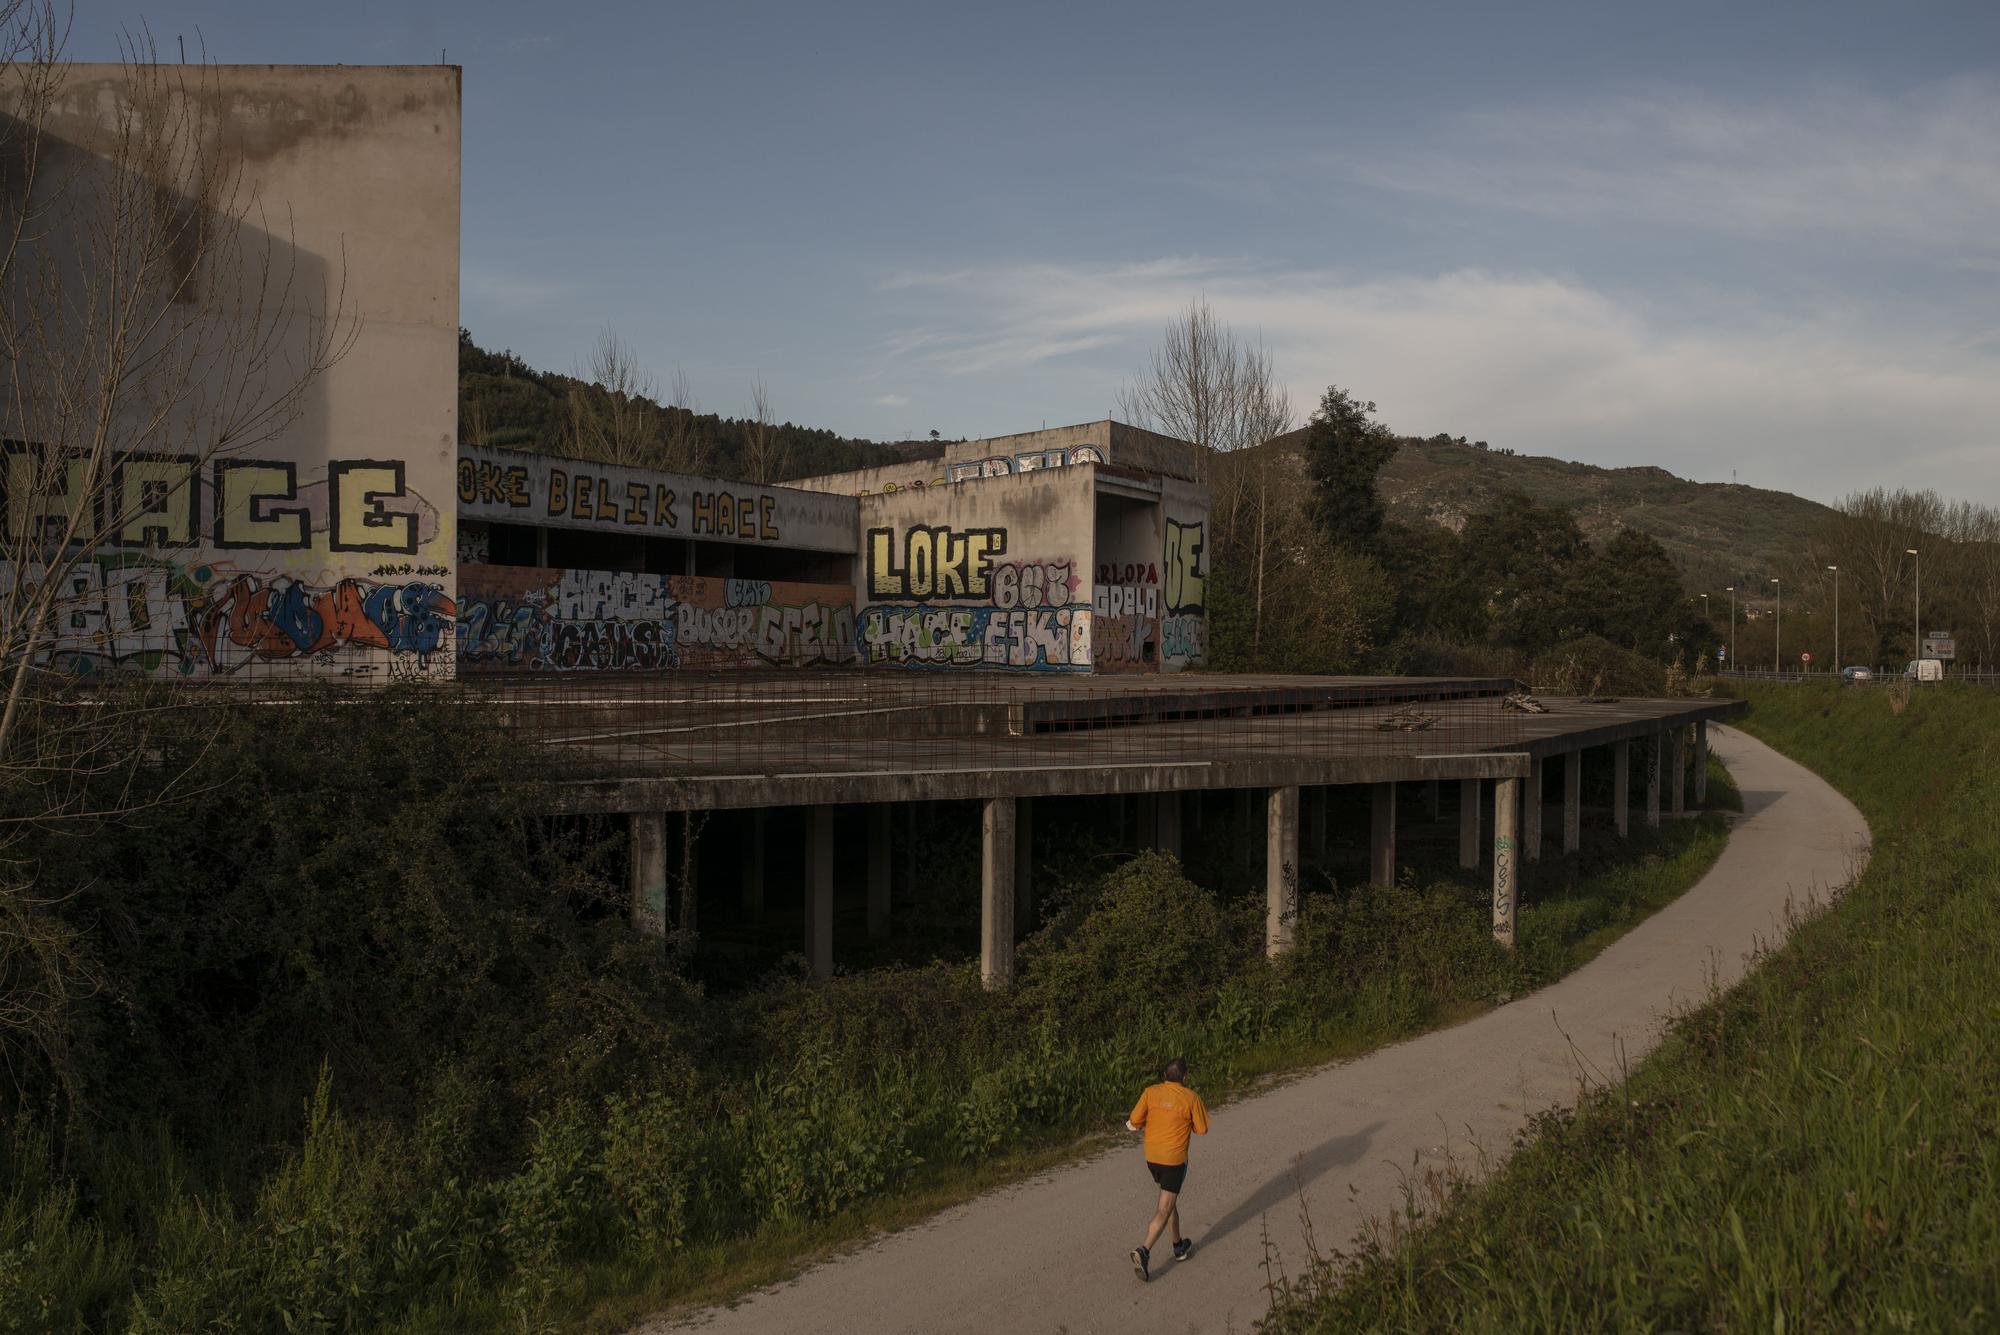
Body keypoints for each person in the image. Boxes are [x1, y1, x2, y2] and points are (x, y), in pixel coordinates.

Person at [1124, 1055, 1210, 1281]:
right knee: (1163, 1209)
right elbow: (1202, 1130)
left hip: (1152, 1158)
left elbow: (1133, 1121)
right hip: (1174, 1160)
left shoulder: (1150, 1092)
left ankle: (1178, 1245)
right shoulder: (1191, 1098)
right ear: (1185, 1076)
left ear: (1164, 1076)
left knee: (1169, 1200)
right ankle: (1144, 1251)